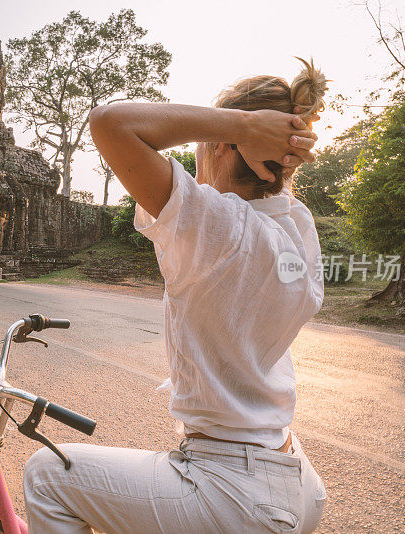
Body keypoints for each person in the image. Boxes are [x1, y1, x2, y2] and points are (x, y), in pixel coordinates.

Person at [23, 57, 330, 534]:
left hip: (233, 490)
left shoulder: (218, 226)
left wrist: (242, 122)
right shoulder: (297, 228)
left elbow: (109, 122)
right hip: (290, 475)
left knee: (46, 475)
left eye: (208, 142)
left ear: (226, 144)